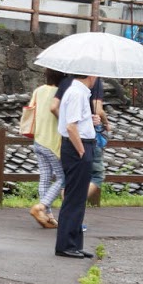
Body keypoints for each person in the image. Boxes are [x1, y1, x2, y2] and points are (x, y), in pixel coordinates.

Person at [55, 73, 100, 259]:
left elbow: (78, 122)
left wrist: (91, 119)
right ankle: (66, 244)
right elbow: (71, 126)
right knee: (74, 198)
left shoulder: (80, 92)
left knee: (78, 197)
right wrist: (81, 151)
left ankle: (74, 243)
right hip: (77, 147)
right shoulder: (77, 93)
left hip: (80, 145)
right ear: (90, 74)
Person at [26, 69, 64, 229]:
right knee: (63, 178)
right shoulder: (61, 93)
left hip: (38, 139)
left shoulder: (38, 90)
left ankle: (47, 216)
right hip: (53, 142)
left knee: (45, 177)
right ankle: (41, 206)